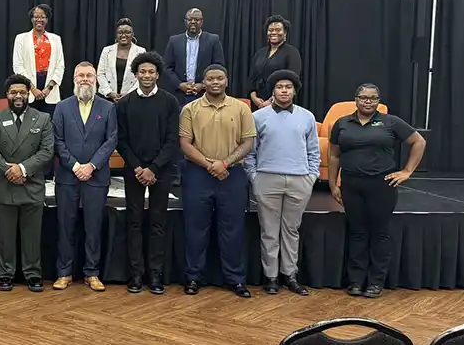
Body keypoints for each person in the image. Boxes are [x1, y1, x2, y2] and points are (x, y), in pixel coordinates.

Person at [328, 83, 426, 298]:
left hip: (382, 185)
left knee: (379, 234)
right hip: (352, 185)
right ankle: (355, 281)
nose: (368, 101)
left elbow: (418, 141)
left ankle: (375, 282)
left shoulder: (390, 122)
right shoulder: (342, 123)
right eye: (363, 97)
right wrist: (333, 184)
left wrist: (407, 171)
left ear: (378, 101)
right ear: (356, 99)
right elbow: (334, 155)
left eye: (372, 98)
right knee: (357, 233)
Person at [179, 64, 256, 298]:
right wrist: (210, 164)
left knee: (233, 230)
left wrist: (225, 163)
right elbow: (185, 144)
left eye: (219, 78)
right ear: (204, 82)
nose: (215, 82)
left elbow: (248, 142)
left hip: (232, 174)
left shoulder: (241, 109)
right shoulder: (189, 109)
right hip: (197, 174)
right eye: (210, 79)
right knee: (195, 229)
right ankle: (193, 277)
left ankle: (235, 279)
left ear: (226, 81)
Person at [244, 70, 318, 296]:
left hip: (299, 180)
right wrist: (254, 177)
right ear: (273, 91)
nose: (284, 90)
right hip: (267, 179)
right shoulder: (258, 117)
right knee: (269, 230)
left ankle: (290, 275)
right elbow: (250, 153)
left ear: (294, 91)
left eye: (288, 87)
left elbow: (313, 151)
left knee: (291, 229)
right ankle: (271, 277)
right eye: (279, 87)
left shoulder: (307, 116)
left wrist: (312, 175)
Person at [115, 51, 181, 295]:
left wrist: (153, 168)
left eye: (151, 72)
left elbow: (172, 139)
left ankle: (155, 275)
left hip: (160, 171)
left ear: (157, 74)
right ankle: (136, 275)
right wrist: (138, 168)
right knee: (133, 222)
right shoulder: (124, 103)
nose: (146, 75)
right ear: (135, 74)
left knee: (157, 222)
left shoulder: (170, 102)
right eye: (142, 71)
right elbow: (121, 141)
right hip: (134, 170)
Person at [0, 74, 55, 291]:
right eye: (13, 92)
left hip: (31, 184)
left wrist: (23, 169)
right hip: (5, 184)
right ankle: (5, 273)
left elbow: (47, 151)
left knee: (32, 234)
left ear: (28, 95)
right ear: (7, 95)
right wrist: (10, 170)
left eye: (22, 92)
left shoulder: (42, 119)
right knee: (5, 235)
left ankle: (32, 274)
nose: (18, 96)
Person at [52, 62, 117, 292]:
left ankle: (92, 273)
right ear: (73, 79)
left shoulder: (108, 108)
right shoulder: (62, 107)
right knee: (65, 225)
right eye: (81, 75)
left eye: (89, 75)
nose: (85, 79)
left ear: (96, 80)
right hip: (67, 177)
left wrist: (91, 166)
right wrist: (75, 166)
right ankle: (64, 273)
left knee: (93, 226)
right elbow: (57, 141)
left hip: (96, 177)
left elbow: (111, 141)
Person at [162, 8, 225, 183]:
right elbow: (166, 67)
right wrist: (180, 85)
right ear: (185, 21)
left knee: (202, 133)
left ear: (202, 22)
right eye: (190, 19)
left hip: (204, 95)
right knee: (180, 133)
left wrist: (202, 85)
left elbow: (219, 66)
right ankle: (178, 174)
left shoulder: (212, 40)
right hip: (179, 95)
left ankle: (201, 170)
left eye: (197, 20)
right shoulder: (174, 41)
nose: (193, 23)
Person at [11, 3, 65, 106]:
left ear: (47, 19)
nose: (39, 20)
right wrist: (32, 88)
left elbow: (60, 65)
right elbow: (18, 66)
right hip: (28, 88)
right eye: (36, 17)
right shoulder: (21, 39)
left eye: (42, 17)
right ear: (31, 19)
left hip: (49, 89)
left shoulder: (56, 39)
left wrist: (49, 88)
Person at [247, 15, 303, 109]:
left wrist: (271, 101)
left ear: (285, 33)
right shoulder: (260, 53)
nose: (273, 32)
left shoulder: (292, 53)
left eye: (278, 30)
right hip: (257, 104)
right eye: (270, 30)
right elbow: (251, 79)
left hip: (280, 104)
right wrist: (254, 98)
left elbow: (293, 80)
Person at [96, 17, 145, 101]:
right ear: (116, 34)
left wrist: (128, 94)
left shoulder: (140, 51)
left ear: (132, 34)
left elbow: (142, 75)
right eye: (120, 32)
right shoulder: (107, 50)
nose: (123, 35)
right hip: (107, 97)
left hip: (131, 97)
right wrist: (110, 93)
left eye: (127, 32)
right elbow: (100, 74)